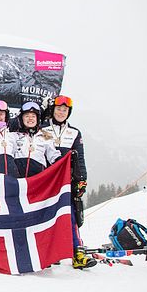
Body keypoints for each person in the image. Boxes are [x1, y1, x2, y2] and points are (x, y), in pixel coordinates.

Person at [40, 95, 96, 269]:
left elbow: (80, 159)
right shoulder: (42, 129)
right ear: (53, 110)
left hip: (66, 180)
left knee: (70, 214)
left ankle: (77, 252)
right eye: (59, 109)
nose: (62, 112)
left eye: (65, 110)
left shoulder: (74, 133)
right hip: (46, 179)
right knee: (45, 214)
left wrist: (82, 179)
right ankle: (48, 253)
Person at [13, 101, 60, 177]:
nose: (30, 118)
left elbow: (53, 156)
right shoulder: (14, 136)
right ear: (21, 119)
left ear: (37, 119)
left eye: (33, 116)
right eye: (27, 116)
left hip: (37, 180)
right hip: (18, 180)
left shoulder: (45, 136)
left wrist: (65, 160)